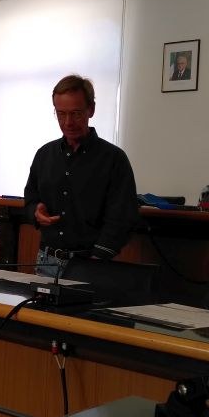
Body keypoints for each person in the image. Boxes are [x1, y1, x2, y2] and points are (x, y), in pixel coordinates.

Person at [24, 74, 139, 278]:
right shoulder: (44, 155)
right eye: (61, 114)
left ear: (91, 110)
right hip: (46, 262)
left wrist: (97, 259)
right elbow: (30, 199)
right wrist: (36, 211)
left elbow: (122, 217)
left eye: (76, 114)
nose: (68, 122)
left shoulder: (114, 159)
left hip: (91, 264)